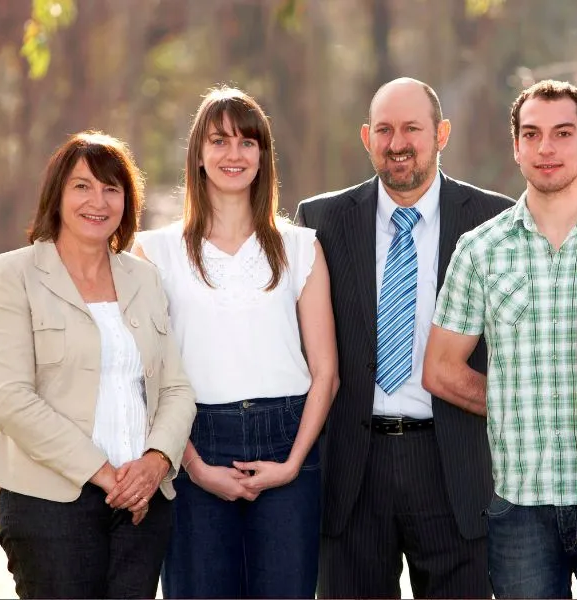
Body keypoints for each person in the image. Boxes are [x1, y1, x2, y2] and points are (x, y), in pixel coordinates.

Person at [295, 77, 512, 598]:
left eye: (412, 128)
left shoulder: (493, 220)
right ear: (367, 137)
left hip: (455, 465)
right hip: (353, 470)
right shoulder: (319, 222)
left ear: (441, 133)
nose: (398, 143)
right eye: (386, 130)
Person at [424, 80, 577, 599]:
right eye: (532, 135)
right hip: (520, 502)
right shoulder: (480, 250)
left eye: (562, 134)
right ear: (515, 145)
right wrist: (510, 401)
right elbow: (440, 368)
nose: (546, 149)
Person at [132, 86, 338, 599]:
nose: (234, 154)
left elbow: (326, 372)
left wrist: (291, 464)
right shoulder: (155, 251)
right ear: (198, 155)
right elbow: (148, 374)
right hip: (194, 441)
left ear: (263, 157)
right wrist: (196, 467)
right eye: (219, 141)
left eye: (248, 142)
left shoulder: (300, 246)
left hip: (288, 440)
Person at [0, 131, 196, 599]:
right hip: (50, 505)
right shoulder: (12, 274)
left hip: (143, 507)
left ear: (126, 201)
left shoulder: (143, 277)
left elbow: (176, 388)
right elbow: (11, 400)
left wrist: (156, 463)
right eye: (82, 186)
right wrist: (106, 474)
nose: (97, 200)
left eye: (111, 188)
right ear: (56, 194)